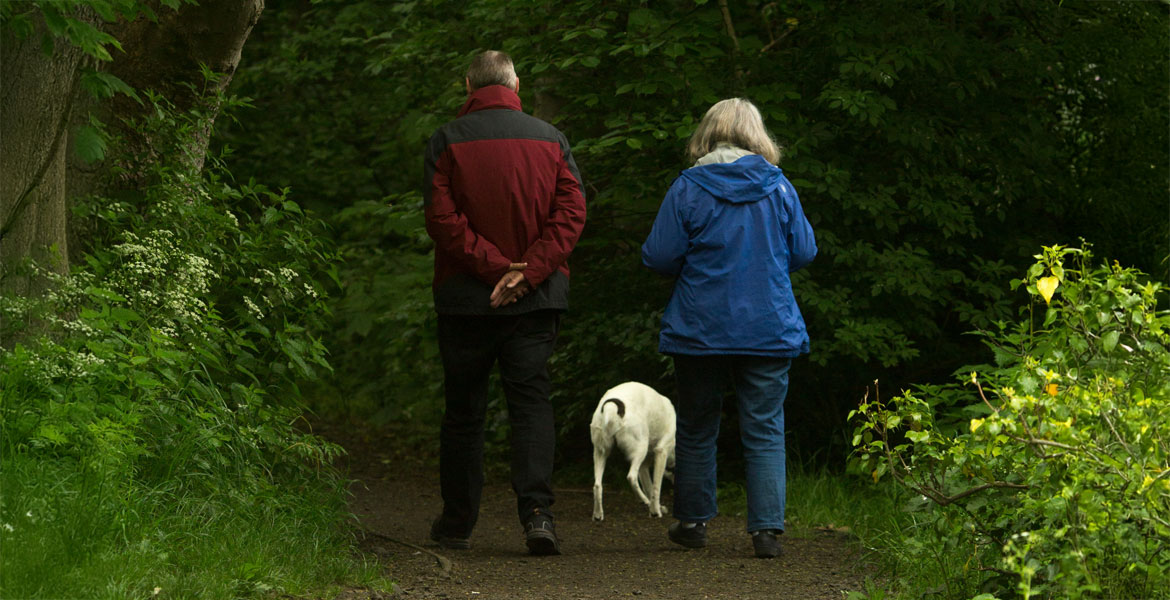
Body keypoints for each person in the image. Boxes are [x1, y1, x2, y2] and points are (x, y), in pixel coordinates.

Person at [422, 50, 586, 556]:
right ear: (515, 82)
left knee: (464, 411)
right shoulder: (551, 138)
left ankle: (457, 523)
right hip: (535, 301)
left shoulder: (447, 139)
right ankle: (537, 515)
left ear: (468, 83)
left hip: (467, 299)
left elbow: (442, 220)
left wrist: (498, 270)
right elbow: (572, 212)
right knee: (532, 405)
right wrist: (526, 273)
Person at [641, 98, 817, 559]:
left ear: (709, 134)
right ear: (757, 136)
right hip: (767, 324)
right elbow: (804, 251)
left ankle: (694, 522)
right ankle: (766, 533)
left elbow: (658, 256)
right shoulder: (778, 188)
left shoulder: (688, 187)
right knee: (765, 428)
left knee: (697, 426)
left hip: (701, 326)